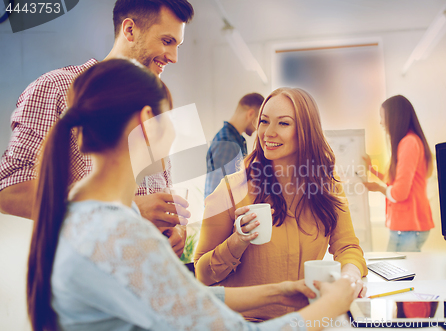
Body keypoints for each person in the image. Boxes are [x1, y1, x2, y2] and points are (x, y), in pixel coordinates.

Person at [27, 59, 358, 331]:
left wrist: (283, 291)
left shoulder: (87, 214)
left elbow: (184, 300)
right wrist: (330, 307)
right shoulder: (121, 234)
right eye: (170, 118)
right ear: (148, 122)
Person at [0, 0, 194, 257]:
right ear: (129, 30)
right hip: (92, 271)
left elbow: (160, 195)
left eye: (177, 46)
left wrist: (176, 231)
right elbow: (10, 190)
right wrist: (127, 208)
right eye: (167, 41)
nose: (174, 58)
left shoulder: (152, 105)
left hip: (145, 277)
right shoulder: (56, 88)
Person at [194, 87, 368, 321]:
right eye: (264, 121)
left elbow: (348, 247)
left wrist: (349, 279)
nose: (268, 132)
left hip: (308, 320)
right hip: (245, 324)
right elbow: (202, 274)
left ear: (306, 131)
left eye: (283, 123)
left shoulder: (328, 186)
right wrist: (237, 241)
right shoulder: (230, 190)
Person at [362, 95, 434, 252]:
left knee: (399, 274)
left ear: (394, 117)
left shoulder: (408, 143)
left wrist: (380, 188)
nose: (381, 122)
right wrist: (372, 170)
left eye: (382, 117)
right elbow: (396, 180)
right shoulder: (410, 141)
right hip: (408, 227)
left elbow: (399, 192)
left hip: (408, 228)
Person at [205, 93, 265, 198]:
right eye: (259, 121)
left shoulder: (235, 140)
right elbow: (220, 193)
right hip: (224, 213)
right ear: (250, 114)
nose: (258, 128)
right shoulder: (227, 143)